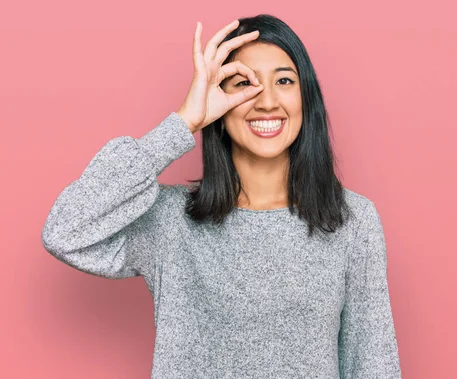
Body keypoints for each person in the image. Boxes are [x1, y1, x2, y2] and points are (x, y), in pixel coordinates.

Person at [41, 14, 402, 379]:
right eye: (244, 83)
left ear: (306, 97)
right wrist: (183, 122)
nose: (266, 101)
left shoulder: (352, 220)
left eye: (284, 80)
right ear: (219, 100)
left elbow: (373, 362)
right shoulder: (170, 221)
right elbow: (66, 231)